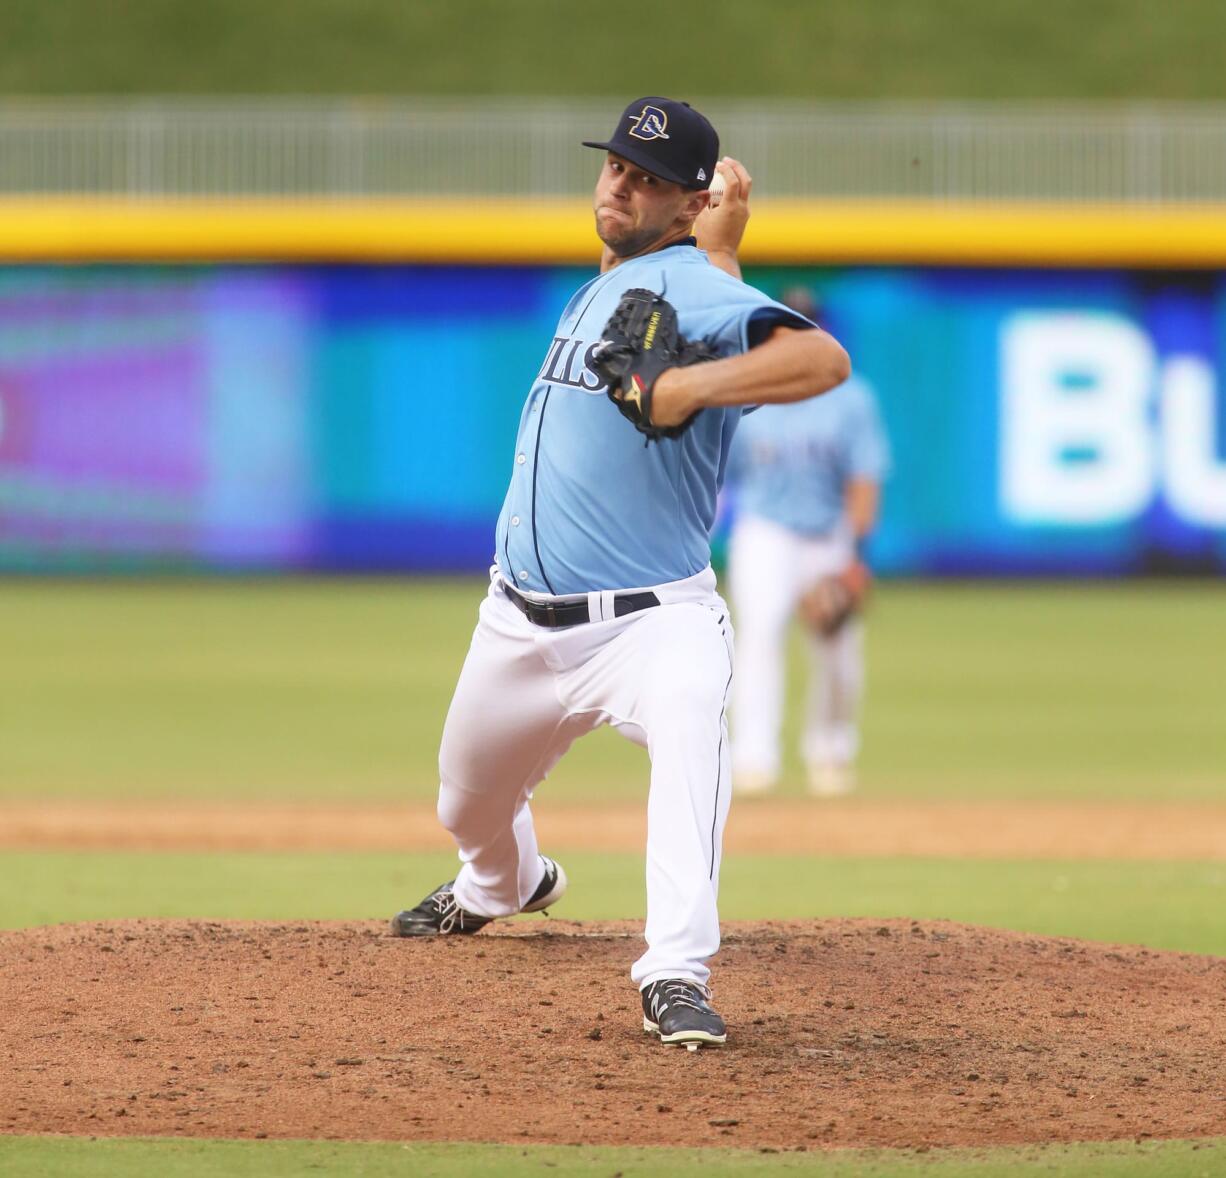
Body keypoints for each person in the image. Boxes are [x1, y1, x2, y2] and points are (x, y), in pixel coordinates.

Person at [390, 98, 850, 1048]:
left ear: (684, 206)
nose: (621, 186)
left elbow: (820, 358)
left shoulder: (691, 289)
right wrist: (724, 235)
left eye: (648, 180)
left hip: (654, 622)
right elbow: (682, 278)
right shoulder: (624, 277)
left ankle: (674, 972)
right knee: (465, 802)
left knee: (692, 751)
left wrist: (683, 383)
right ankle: (502, 887)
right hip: (516, 622)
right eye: (616, 168)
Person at [726, 287, 889, 798]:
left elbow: (864, 476)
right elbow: (718, 476)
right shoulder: (748, 390)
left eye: (804, 326)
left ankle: (831, 752)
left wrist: (857, 558)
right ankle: (753, 758)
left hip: (827, 532)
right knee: (758, 639)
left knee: (838, 648)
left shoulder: (850, 395)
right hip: (765, 530)